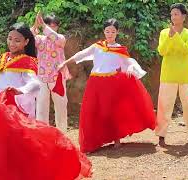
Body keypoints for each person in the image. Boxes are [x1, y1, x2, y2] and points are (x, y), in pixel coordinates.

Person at [0, 23, 92, 179]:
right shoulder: (1, 60)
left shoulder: (28, 62)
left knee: (22, 147)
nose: (11, 43)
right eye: (10, 38)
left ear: (26, 42)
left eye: (17, 40)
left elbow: (35, 83)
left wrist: (20, 90)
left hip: (18, 111)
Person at [58, 18, 156, 153]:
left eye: (113, 31)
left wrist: (130, 68)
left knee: (111, 110)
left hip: (112, 83)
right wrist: (65, 63)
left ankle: (116, 138)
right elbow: (82, 54)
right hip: (95, 83)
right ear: (104, 31)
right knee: (92, 110)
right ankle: (92, 142)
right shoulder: (97, 46)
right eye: (107, 31)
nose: (110, 34)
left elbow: (130, 62)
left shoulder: (120, 49)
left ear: (117, 33)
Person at [155, 3, 188, 146]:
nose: (174, 17)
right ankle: (161, 135)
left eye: (177, 14)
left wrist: (176, 37)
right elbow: (162, 51)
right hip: (168, 74)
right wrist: (170, 36)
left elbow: (186, 49)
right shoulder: (164, 33)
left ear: (184, 16)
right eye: (172, 14)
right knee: (164, 105)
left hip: (186, 74)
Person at [31, 12, 70, 132]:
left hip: (57, 77)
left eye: (54, 25)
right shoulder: (39, 39)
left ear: (58, 26)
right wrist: (35, 26)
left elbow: (54, 36)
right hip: (42, 78)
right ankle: (43, 135)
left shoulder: (61, 38)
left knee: (61, 106)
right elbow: (27, 37)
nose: (52, 27)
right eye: (49, 25)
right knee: (41, 107)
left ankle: (62, 134)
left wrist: (43, 26)